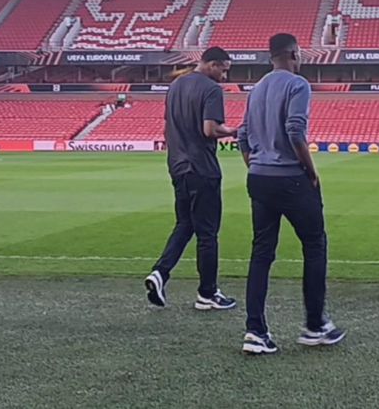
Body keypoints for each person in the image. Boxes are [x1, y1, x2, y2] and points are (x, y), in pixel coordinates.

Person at [237, 33, 345, 355]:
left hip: (259, 177)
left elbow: (243, 136)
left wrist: (255, 165)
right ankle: (314, 325)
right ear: (294, 53)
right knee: (314, 245)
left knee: (262, 252)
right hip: (291, 179)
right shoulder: (298, 85)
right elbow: (295, 130)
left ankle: (255, 330)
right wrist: (311, 171)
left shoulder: (256, 88)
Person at [144, 47, 238, 311]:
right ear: (211, 65)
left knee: (185, 223)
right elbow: (210, 129)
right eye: (223, 69)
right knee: (207, 233)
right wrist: (235, 131)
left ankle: (160, 272)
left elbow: (167, 129)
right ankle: (207, 293)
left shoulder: (176, 86)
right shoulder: (211, 89)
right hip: (202, 168)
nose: (224, 76)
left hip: (178, 165)